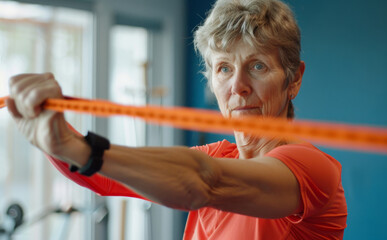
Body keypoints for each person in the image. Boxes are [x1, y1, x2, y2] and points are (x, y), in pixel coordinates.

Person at [6, 0, 347, 239]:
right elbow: (105, 180)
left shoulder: (312, 168)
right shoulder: (221, 155)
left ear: (294, 78)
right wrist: (47, 130)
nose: (238, 87)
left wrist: (73, 147)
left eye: (257, 66)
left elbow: (204, 182)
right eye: (224, 68)